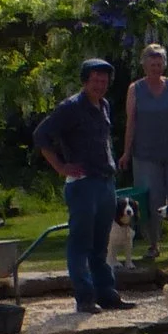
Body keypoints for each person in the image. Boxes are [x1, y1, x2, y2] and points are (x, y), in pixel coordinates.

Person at [32, 59, 130, 312]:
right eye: (95, 80)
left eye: (104, 81)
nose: (100, 85)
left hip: (105, 181)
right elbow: (41, 136)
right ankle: (85, 297)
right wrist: (61, 166)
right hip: (83, 183)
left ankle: (106, 293)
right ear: (85, 81)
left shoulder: (104, 105)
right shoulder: (71, 107)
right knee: (81, 242)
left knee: (101, 243)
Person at [125, 43, 168, 261]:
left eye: (159, 63)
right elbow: (131, 122)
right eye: (152, 63)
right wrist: (126, 152)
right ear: (144, 64)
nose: (156, 67)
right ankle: (153, 244)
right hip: (146, 152)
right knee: (152, 199)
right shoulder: (135, 89)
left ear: (164, 64)